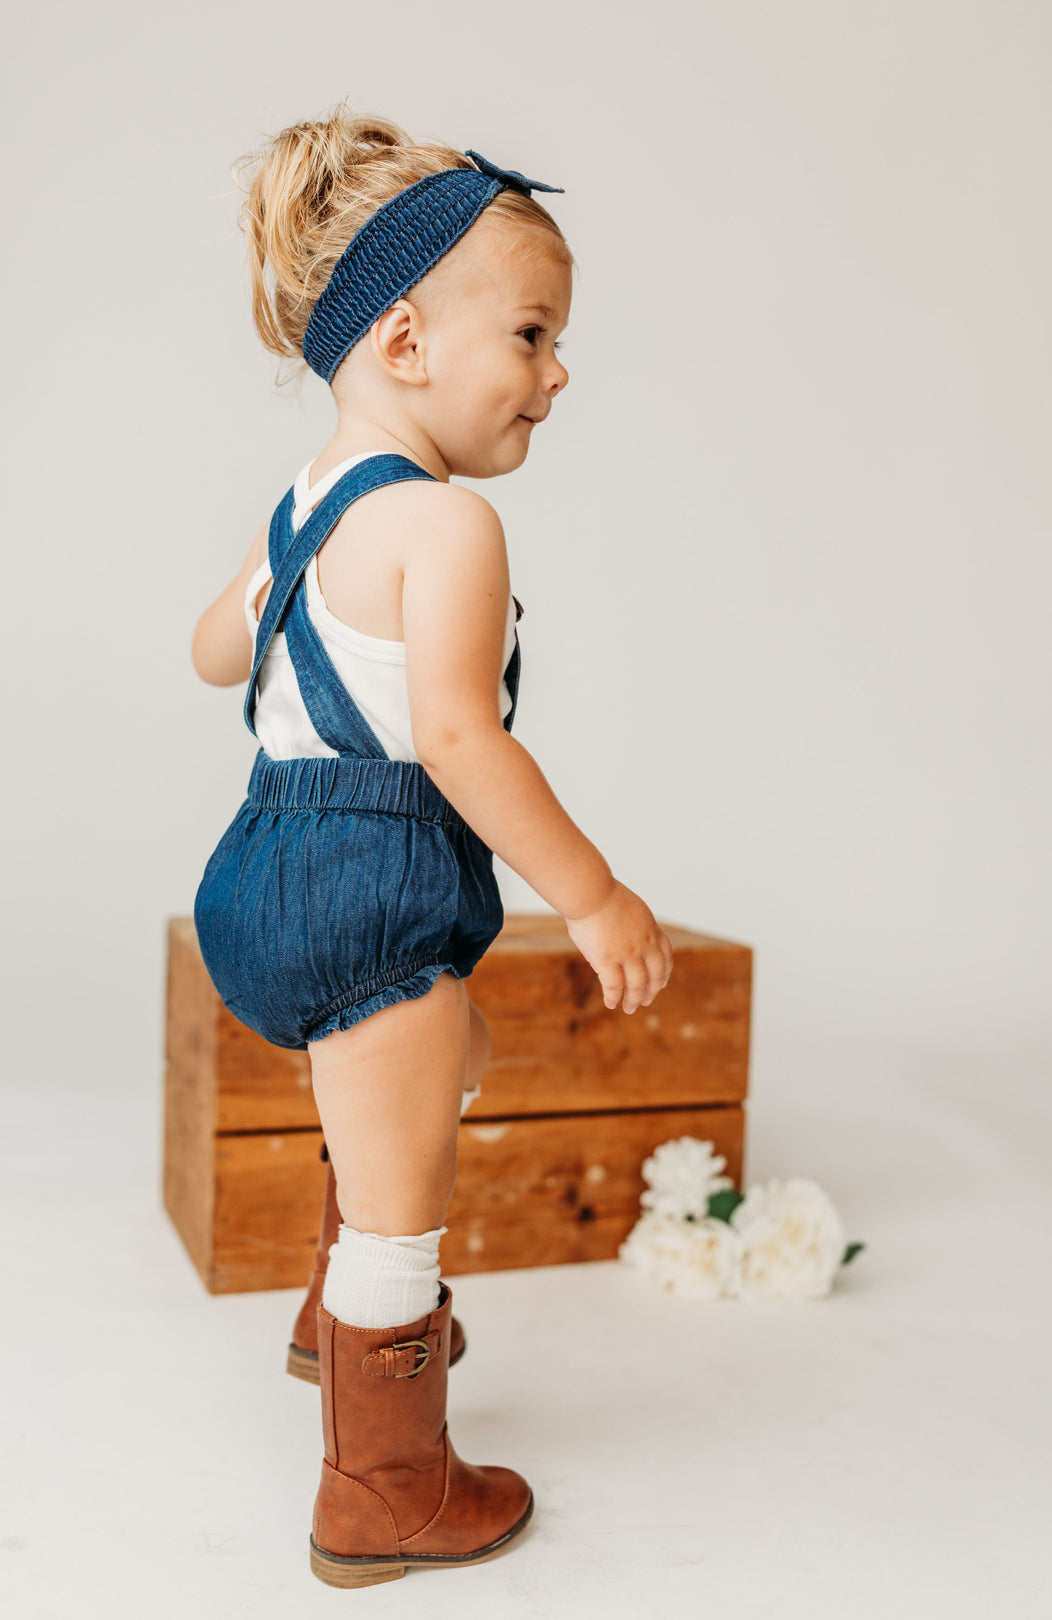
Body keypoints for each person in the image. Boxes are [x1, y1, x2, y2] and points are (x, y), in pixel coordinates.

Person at [189, 106, 674, 1590]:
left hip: (258, 878)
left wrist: (281, 586)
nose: (557, 370)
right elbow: (463, 744)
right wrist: (593, 894)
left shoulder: (303, 507)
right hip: (372, 888)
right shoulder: (447, 530)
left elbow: (216, 655)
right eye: (530, 334)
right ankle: (385, 1487)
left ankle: (323, 1328)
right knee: (410, 1188)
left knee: (411, 1076)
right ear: (406, 340)